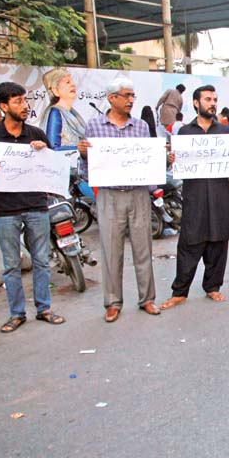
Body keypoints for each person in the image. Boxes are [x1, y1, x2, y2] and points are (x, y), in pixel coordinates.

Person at [0, 82, 64, 333]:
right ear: (3, 106)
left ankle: (44, 309)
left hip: (37, 207)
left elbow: (52, 168)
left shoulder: (36, 134)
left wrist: (44, 153)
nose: (25, 106)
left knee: (42, 261)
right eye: (18, 101)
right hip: (6, 210)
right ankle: (16, 313)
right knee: (11, 265)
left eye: (25, 100)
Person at [78, 77, 170, 322]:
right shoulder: (94, 127)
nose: (131, 100)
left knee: (143, 247)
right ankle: (112, 302)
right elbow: (84, 166)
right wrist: (83, 153)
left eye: (133, 96)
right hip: (109, 195)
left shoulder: (140, 126)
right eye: (127, 96)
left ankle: (147, 299)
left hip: (138, 193)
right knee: (111, 249)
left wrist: (160, 158)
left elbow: (148, 159)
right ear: (112, 98)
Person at [160, 85, 229, 310]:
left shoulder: (225, 132)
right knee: (190, 243)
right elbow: (178, 161)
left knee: (218, 242)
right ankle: (179, 292)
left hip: (220, 196)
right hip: (195, 197)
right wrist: (172, 158)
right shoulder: (185, 133)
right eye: (208, 99)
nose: (213, 103)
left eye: (215, 99)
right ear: (196, 103)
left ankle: (212, 287)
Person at [39, 68, 86, 151]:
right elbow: (52, 147)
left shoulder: (73, 113)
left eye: (72, 82)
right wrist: (78, 149)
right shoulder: (55, 113)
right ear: (55, 90)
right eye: (67, 82)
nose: (73, 85)